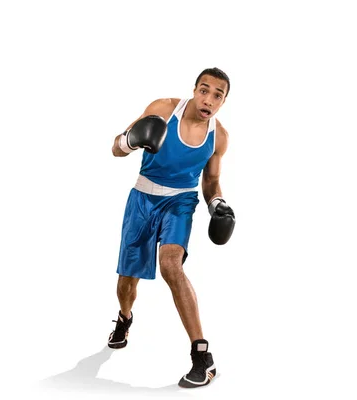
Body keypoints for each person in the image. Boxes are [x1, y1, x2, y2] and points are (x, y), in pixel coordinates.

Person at [107, 67, 236, 389]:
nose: (208, 99)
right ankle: (125, 318)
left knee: (170, 266)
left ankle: (202, 356)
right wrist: (130, 140)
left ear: (223, 102)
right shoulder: (163, 109)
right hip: (142, 197)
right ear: (194, 90)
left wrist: (216, 203)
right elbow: (115, 148)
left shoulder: (218, 136)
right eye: (204, 90)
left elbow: (213, 181)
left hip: (180, 202)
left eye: (217, 95)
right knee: (128, 279)